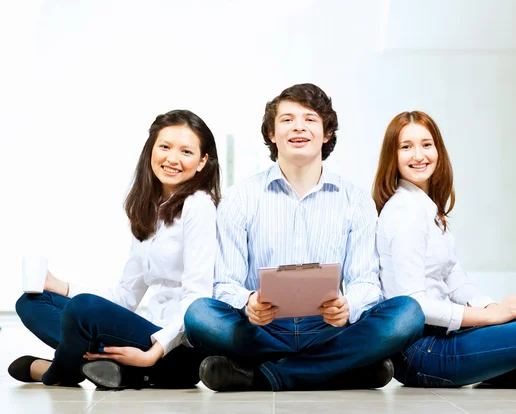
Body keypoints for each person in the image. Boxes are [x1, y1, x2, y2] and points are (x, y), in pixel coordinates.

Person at [183, 83, 425, 392]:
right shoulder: (240, 198)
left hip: (329, 330)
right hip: (261, 330)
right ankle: (337, 369)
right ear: (272, 133)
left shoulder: (356, 200)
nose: (298, 127)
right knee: (199, 315)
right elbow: (224, 284)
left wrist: (348, 305)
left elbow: (367, 283)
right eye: (287, 119)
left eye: (309, 119)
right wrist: (248, 302)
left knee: (408, 313)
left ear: (326, 134)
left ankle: (269, 376)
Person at [373, 110, 516, 392]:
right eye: (406, 147)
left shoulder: (427, 207)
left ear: (438, 149)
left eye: (426, 144)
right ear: (393, 156)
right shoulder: (405, 213)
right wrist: (492, 316)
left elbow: (453, 275)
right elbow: (416, 306)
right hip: (420, 354)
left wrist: (491, 306)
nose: (418, 155)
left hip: (443, 336)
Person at [10, 109, 220, 388]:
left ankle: (58, 372)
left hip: (176, 349)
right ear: (150, 150)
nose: (172, 159)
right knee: (32, 303)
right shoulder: (150, 210)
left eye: (186, 151)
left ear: (202, 161)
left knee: (83, 310)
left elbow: (198, 299)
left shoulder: (200, 205)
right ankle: (98, 366)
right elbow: (125, 296)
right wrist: (58, 285)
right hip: (146, 332)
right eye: (165, 147)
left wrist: (152, 353)